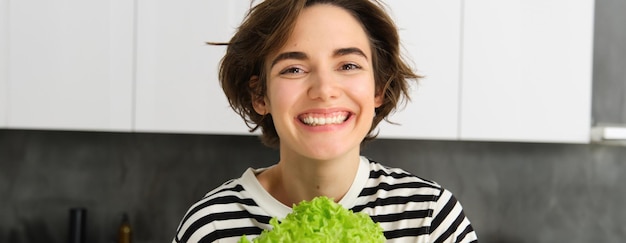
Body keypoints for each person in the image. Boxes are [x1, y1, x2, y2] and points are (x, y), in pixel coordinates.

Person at [173, 0, 478, 242]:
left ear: (378, 88)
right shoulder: (210, 226)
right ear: (259, 95)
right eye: (293, 69)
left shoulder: (429, 217)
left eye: (347, 65)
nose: (324, 90)